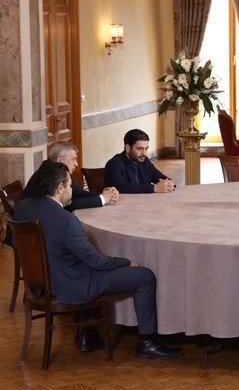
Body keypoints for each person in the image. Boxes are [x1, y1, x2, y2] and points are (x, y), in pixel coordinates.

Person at [13, 161, 183, 359]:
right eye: (70, 186)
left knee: (91, 264)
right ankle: (148, 342)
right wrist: (126, 262)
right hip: (72, 286)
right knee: (145, 277)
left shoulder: (23, 208)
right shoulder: (66, 220)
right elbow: (97, 262)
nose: (71, 190)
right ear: (60, 188)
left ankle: (89, 334)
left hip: (43, 284)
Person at [22, 141, 119, 211]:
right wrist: (102, 199)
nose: (76, 164)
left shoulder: (61, 172)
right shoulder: (50, 176)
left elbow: (78, 193)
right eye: (73, 159)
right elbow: (68, 205)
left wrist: (105, 194)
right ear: (60, 160)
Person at [105, 129, 175, 194]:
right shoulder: (114, 164)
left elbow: (159, 177)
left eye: (146, 148)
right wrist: (154, 188)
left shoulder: (144, 160)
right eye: (140, 149)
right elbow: (121, 187)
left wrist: (169, 183)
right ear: (128, 148)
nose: (144, 153)